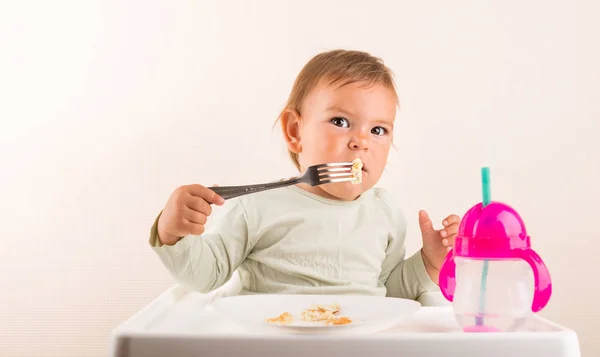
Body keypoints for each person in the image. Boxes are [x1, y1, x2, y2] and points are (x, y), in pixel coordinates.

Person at [149, 49, 460, 304]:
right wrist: (173, 231)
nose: (361, 141)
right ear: (295, 132)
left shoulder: (385, 212)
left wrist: (429, 263)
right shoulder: (256, 206)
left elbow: (387, 293)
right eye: (340, 121)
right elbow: (204, 277)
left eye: (378, 130)